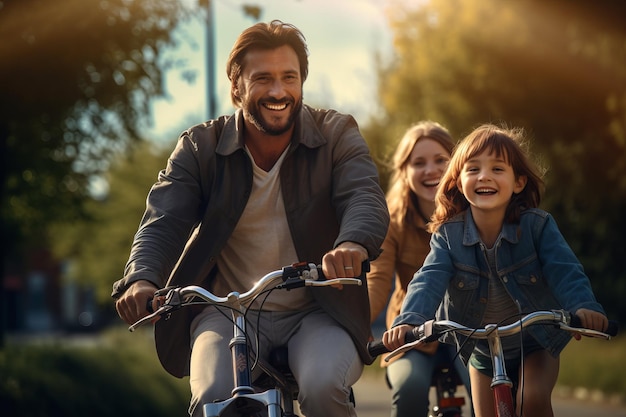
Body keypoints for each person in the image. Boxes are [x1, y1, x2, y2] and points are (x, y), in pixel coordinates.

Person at [112, 20, 389, 417]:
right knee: (213, 398)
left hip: (317, 309)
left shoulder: (337, 133)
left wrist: (352, 243)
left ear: (301, 82)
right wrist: (142, 277)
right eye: (263, 79)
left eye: (288, 77)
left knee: (322, 386)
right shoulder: (200, 147)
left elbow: (363, 194)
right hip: (227, 310)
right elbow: (164, 218)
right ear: (236, 87)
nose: (278, 91)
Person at [382, 124, 608, 417]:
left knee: (531, 399)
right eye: (473, 169)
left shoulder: (537, 227)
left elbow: (565, 270)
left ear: (518, 182)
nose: (484, 176)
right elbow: (428, 279)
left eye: (497, 169)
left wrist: (584, 306)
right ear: (458, 181)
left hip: (535, 343)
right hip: (482, 350)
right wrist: (409, 320)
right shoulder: (447, 236)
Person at [368, 121, 472, 417]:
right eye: (418, 163)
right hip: (409, 332)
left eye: (441, 160)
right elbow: (377, 280)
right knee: (410, 387)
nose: (431, 170)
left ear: (457, 164)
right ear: (404, 171)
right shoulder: (392, 221)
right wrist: (359, 325)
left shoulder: (475, 210)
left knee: (488, 392)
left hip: (469, 328)